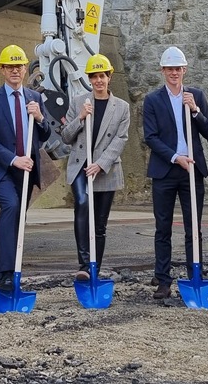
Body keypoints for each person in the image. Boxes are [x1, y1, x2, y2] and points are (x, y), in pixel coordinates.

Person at [141, 46, 208, 300]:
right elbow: (150, 137)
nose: (174, 73)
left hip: (192, 171)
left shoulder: (195, 95)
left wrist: (195, 111)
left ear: (185, 70)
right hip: (165, 171)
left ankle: (195, 275)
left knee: (193, 227)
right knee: (162, 227)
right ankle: (163, 280)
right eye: (170, 69)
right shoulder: (152, 100)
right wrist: (175, 157)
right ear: (163, 71)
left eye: (178, 68)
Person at [0, 44, 51, 299]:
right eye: (10, 66)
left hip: (27, 172)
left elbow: (46, 135)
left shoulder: (35, 98)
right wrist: (13, 160)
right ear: (2, 69)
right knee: (10, 208)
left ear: (23, 69)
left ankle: (0, 284)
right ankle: (8, 274)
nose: (15, 71)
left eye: (19, 66)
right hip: (1, 170)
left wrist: (40, 118)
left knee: (17, 222)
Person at [58, 54, 130, 280]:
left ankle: (94, 268)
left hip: (105, 169)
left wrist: (100, 164)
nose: (99, 80)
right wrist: (80, 118)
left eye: (102, 76)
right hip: (80, 165)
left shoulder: (122, 107)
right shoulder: (79, 102)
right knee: (82, 203)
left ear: (109, 77)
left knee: (99, 222)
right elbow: (65, 137)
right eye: (94, 77)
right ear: (89, 79)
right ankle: (83, 264)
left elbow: (120, 139)